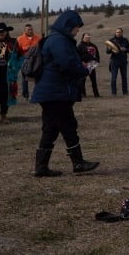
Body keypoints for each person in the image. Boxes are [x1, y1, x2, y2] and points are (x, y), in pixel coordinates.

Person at [31, 10, 99, 177]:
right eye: (76, 28)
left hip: (51, 92)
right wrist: (83, 70)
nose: (77, 31)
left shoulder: (57, 39)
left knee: (51, 129)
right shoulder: (59, 41)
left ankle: (41, 167)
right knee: (68, 126)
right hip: (55, 92)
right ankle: (78, 163)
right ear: (68, 26)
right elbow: (66, 63)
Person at [16, 23, 41, 99]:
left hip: (36, 60)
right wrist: (26, 48)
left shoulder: (38, 38)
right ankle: (25, 93)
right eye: (28, 30)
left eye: (31, 29)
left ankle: (37, 93)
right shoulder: (19, 39)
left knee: (37, 76)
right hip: (25, 60)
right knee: (24, 78)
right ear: (24, 31)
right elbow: (17, 50)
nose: (30, 31)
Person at [106, 28, 129, 96]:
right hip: (114, 61)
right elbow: (107, 52)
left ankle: (125, 92)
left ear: (122, 33)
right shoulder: (111, 40)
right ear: (115, 33)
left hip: (123, 61)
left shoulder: (125, 40)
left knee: (124, 77)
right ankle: (114, 93)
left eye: (120, 32)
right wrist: (110, 49)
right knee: (113, 78)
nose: (118, 33)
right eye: (117, 32)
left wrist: (125, 49)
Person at [76, 33, 101, 97]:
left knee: (93, 80)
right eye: (86, 37)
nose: (87, 38)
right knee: (82, 80)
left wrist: (96, 61)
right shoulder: (80, 46)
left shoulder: (93, 46)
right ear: (83, 38)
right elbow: (77, 56)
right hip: (83, 65)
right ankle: (83, 94)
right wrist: (81, 62)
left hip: (92, 65)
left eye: (89, 37)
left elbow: (97, 55)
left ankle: (96, 94)